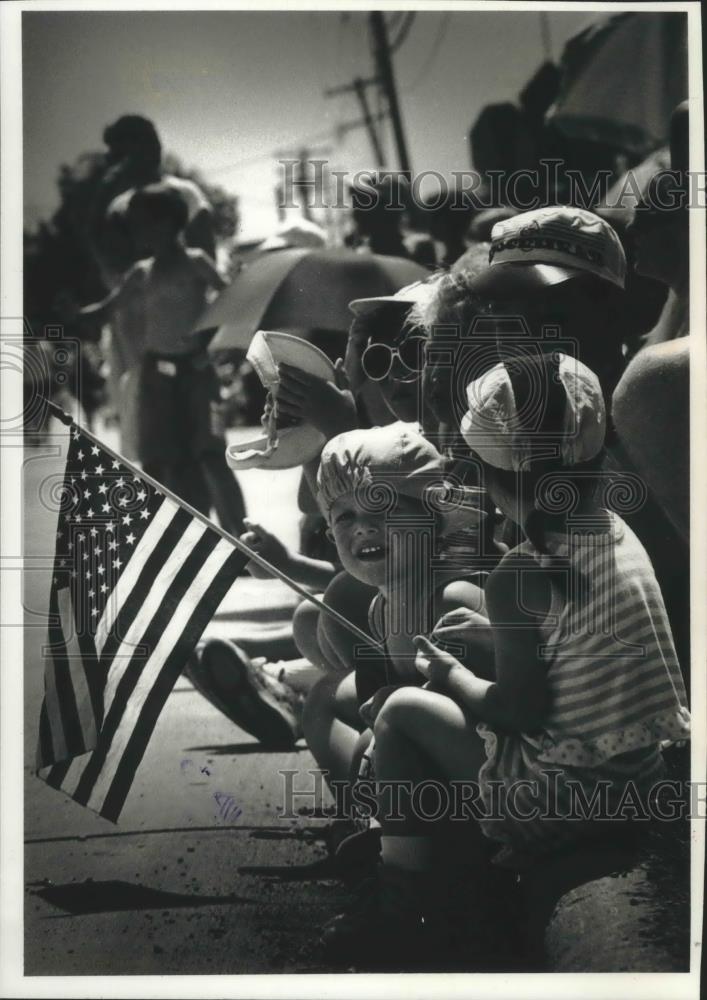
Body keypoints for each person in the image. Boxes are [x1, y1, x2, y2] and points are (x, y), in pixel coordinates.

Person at [320, 352, 690, 965]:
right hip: (636, 783)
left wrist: (452, 676)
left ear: (499, 478)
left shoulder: (519, 573)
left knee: (402, 713)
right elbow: (574, 640)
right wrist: (499, 636)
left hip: (562, 802)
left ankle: (410, 904)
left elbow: (518, 709)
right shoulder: (617, 533)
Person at [303, 423, 491, 816]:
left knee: (380, 730)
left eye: (382, 509)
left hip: (496, 766)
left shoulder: (452, 599)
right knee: (326, 697)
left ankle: (420, 856)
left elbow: (493, 710)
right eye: (345, 517)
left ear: (432, 521)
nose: (363, 527)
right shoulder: (380, 608)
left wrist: (392, 709)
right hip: (420, 753)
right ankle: (362, 820)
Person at [79, 183, 246, 534]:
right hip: (157, 375)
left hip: (198, 374)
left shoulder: (197, 263)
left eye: (144, 223)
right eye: (135, 225)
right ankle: (181, 543)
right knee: (161, 461)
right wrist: (75, 314)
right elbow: (108, 308)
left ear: (170, 222)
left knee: (211, 455)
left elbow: (231, 304)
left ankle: (242, 543)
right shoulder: (142, 271)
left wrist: (214, 345)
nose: (137, 232)